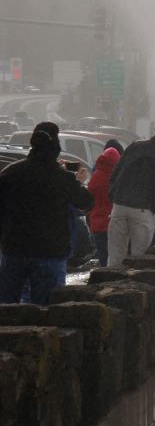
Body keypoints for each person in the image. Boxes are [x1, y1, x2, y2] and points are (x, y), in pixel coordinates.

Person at [0, 121, 95, 303]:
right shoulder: (62, 177)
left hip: (14, 250)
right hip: (50, 252)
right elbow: (86, 201)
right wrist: (76, 181)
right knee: (46, 311)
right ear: (56, 145)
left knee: (6, 310)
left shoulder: (11, 172)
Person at [107, 118, 155, 269]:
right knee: (139, 259)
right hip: (143, 211)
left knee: (115, 256)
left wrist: (113, 195)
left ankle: (110, 285)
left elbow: (116, 173)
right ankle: (132, 289)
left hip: (119, 206)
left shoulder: (136, 146)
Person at [85, 139, 124, 267]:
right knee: (115, 259)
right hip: (114, 224)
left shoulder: (95, 176)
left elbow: (87, 200)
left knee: (103, 257)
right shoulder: (118, 178)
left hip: (97, 225)